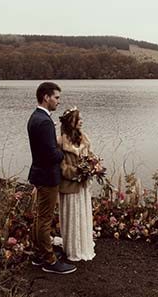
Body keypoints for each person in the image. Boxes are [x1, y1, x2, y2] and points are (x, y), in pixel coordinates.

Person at [27, 82, 76, 274]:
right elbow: (51, 154)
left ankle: (39, 255)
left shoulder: (35, 117)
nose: (58, 101)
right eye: (56, 97)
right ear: (46, 97)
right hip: (47, 175)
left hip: (39, 172)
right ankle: (49, 260)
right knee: (45, 218)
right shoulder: (45, 121)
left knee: (40, 216)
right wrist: (64, 153)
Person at [57, 107, 97, 261]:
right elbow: (61, 167)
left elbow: (91, 156)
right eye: (78, 119)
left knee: (83, 214)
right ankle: (73, 248)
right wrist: (77, 172)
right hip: (69, 186)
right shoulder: (60, 141)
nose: (81, 121)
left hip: (83, 186)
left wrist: (94, 167)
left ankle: (84, 244)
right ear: (70, 121)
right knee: (72, 216)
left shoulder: (84, 138)